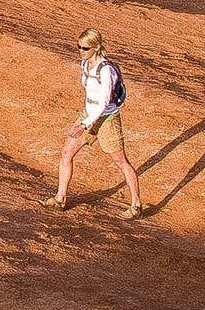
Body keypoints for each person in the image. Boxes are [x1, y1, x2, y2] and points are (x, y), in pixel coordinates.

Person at [52, 27, 143, 219]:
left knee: (120, 161)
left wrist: (84, 124)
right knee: (66, 153)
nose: (81, 51)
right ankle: (60, 198)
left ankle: (136, 205)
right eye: (79, 47)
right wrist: (85, 120)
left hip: (106, 119)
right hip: (88, 115)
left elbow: (103, 102)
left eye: (85, 48)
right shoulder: (85, 64)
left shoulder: (106, 70)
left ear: (96, 47)